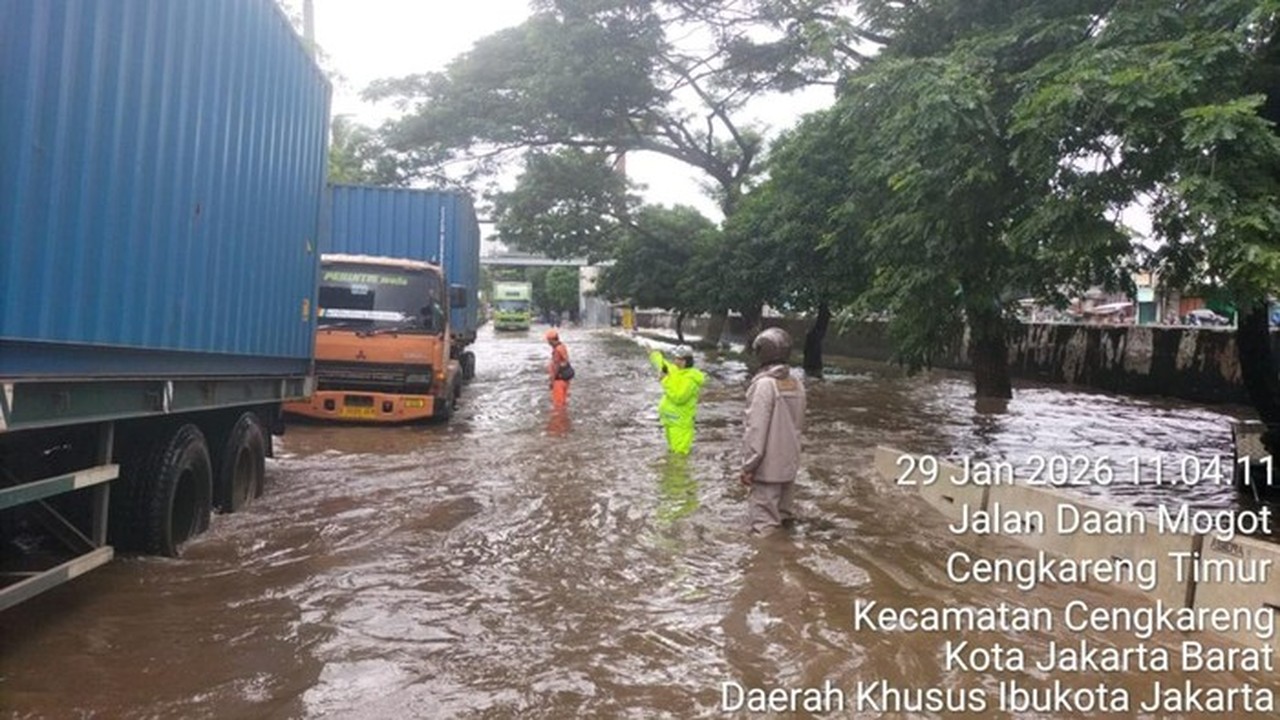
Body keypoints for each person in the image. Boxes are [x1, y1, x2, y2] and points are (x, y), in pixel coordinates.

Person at [739, 327, 806, 534]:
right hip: (789, 465)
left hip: (767, 469)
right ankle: (789, 562)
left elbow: (756, 430)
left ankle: (768, 565)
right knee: (785, 521)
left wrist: (748, 466)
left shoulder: (764, 386)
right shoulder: (796, 383)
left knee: (765, 529)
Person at [648, 344, 706, 455]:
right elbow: (661, 363)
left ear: (687, 361)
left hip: (681, 424)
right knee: (672, 454)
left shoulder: (691, 379)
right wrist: (653, 353)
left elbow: (679, 397)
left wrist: (664, 380)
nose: (676, 361)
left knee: (680, 456)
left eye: (680, 359)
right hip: (670, 421)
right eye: (675, 358)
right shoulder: (675, 370)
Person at [546, 329, 571, 407]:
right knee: (563, 402)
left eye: (548, 341)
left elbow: (556, 366)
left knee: (558, 405)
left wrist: (552, 381)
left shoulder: (557, 350)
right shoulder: (562, 346)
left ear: (551, 340)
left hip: (558, 380)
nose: (548, 343)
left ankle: (559, 419)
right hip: (565, 378)